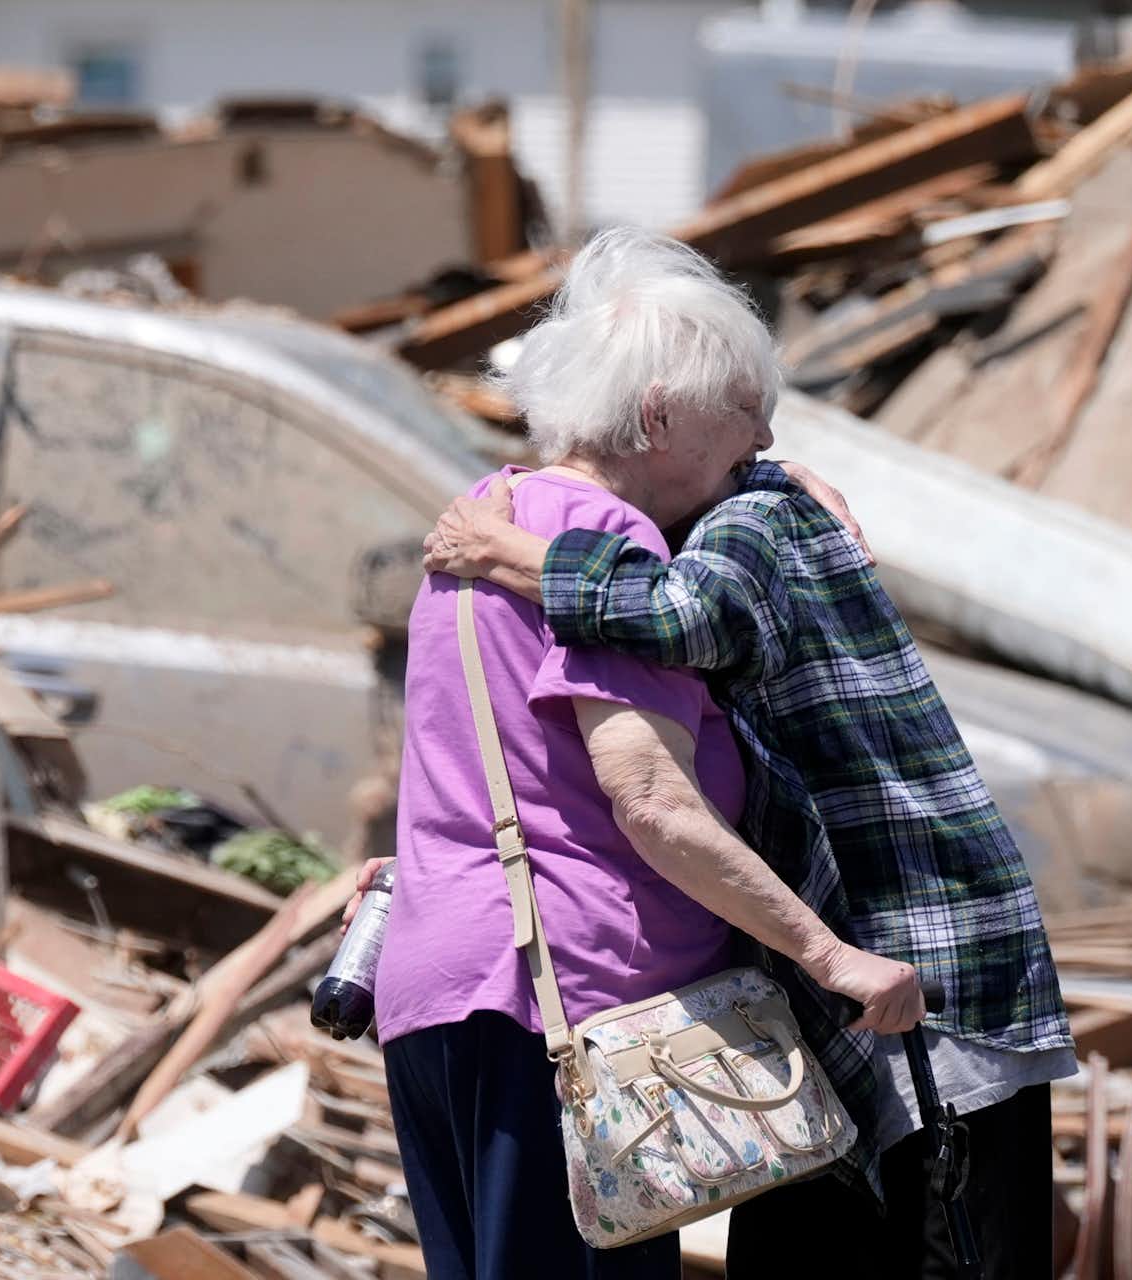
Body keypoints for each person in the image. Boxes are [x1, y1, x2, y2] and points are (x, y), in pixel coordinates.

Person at [421, 228, 1076, 1279]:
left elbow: (682, 615)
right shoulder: (721, 513)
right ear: (658, 414)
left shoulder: (737, 514)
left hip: (925, 977)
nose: (768, 434)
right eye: (747, 408)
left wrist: (522, 555)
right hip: (844, 986)